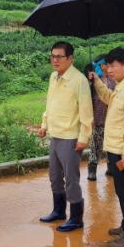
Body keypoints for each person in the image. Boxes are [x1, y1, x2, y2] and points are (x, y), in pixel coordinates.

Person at [89, 47, 124, 247]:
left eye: (113, 66)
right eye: (108, 66)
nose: (109, 70)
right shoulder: (122, 85)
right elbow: (108, 98)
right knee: (122, 191)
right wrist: (97, 80)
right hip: (116, 148)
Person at [38, 41, 94, 232]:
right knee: (54, 176)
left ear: (70, 58)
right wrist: (44, 125)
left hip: (71, 138)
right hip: (55, 135)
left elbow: (87, 113)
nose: (55, 60)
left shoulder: (79, 80)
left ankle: (76, 218)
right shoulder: (54, 77)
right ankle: (59, 211)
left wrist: (84, 138)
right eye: (52, 56)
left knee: (71, 179)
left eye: (59, 57)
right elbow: (50, 104)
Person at [84, 56, 116, 181]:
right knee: (95, 145)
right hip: (96, 118)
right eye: (107, 64)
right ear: (102, 66)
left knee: (111, 145)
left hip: (111, 120)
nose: (110, 67)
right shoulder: (93, 80)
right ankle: (92, 169)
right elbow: (86, 98)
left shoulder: (114, 79)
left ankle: (111, 167)